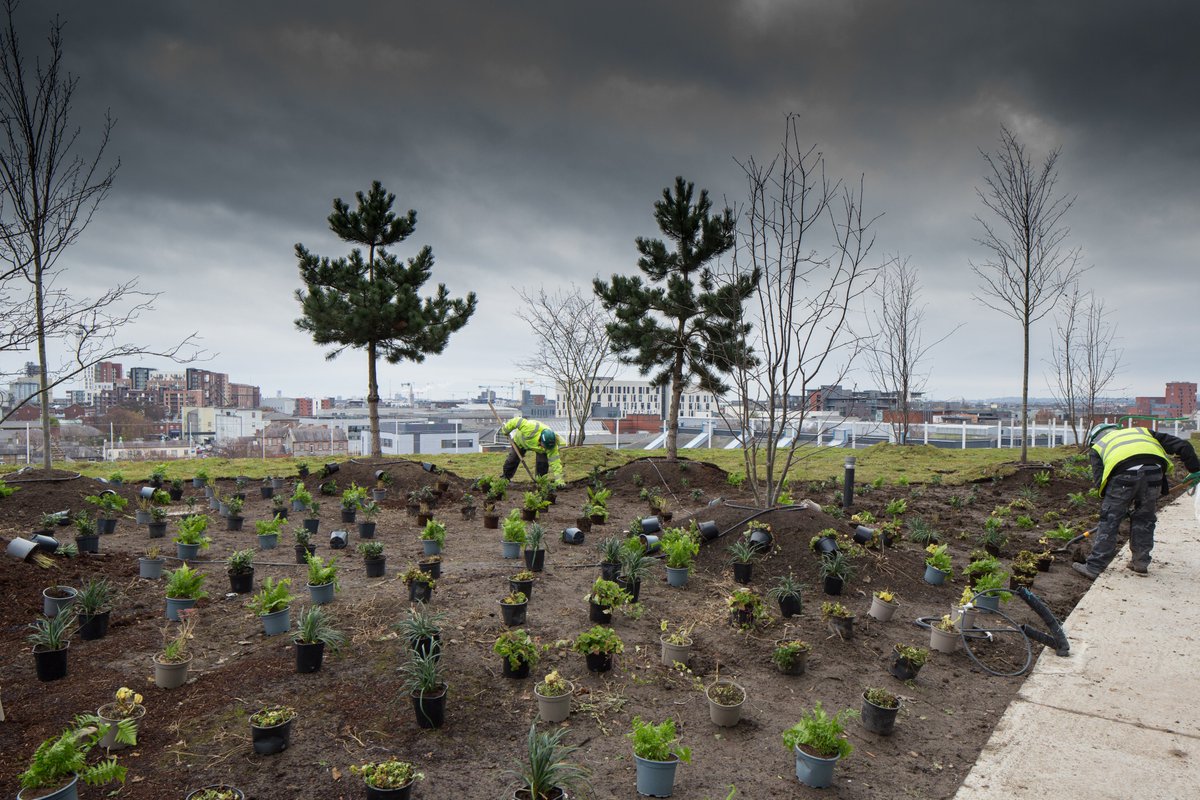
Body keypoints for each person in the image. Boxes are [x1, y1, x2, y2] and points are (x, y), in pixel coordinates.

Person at [1072, 423, 1200, 580]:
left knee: (1109, 520)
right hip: (1154, 474)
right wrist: (1195, 469)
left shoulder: (1098, 446)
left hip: (1123, 476)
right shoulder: (1142, 432)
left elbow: (1100, 482)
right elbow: (1183, 445)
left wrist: (1115, 507)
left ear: (1094, 439)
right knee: (1144, 517)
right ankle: (1140, 562)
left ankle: (1094, 566)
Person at [498, 416, 564, 486]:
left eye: (548, 447)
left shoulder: (551, 446)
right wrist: (506, 429)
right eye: (545, 446)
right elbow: (517, 421)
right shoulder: (530, 428)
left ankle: (540, 482)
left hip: (538, 449)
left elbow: (556, 464)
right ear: (541, 440)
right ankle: (505, 479)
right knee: (512, 460)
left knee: (543, 464)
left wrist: (559, 481)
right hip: (520, 442)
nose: (546, 449)